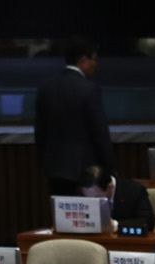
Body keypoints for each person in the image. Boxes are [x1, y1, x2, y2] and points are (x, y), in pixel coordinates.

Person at [36, 38, 116, 197]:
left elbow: (40, 132)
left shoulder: (46, 87)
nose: (96, 64)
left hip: (54, 169)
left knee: (61, 217)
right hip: (84, 171)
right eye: (94, 59)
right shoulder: (89, 89)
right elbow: (99, 133)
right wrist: (109, 170)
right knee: (84, 218)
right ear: (83, 61)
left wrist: (44, 167)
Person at [78, 163, 155, 231]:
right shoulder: (81, 191)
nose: (92, 201)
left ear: (110, 187)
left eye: (96, 197)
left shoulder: (134, 191)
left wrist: (115, 224)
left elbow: (147, 222)